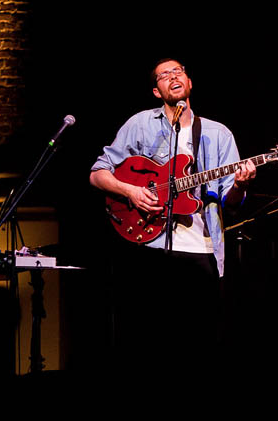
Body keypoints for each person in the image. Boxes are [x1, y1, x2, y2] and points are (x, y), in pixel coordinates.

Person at [89, 58, 255, 382]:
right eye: (164, 75)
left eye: (178, 71)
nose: (172, 77)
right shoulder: (140, 125)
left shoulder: (218, 134)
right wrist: (132, 192)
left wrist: (239, 185)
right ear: (156, 90)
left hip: (200, 249)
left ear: (189, 83)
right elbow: (97, 174)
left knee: (200, 341)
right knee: (149, 341)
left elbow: (231, 203)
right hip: (149, 244)